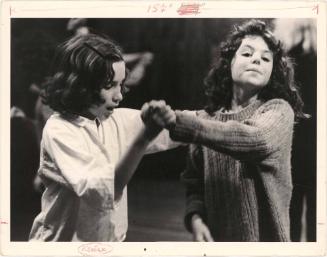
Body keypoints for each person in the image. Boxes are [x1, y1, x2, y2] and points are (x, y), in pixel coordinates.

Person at [157, 19, 308, 241]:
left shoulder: (278, 110)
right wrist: (196, 220)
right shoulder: (207, 121)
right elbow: (195, 183)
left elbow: (255, 140)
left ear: (272, 71)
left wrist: (181, 121)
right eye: (247, 54)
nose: (256, 59)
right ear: (229, 63)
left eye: (266, 58)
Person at [29, 33, 178, 242]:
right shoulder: (59, 130)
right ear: (80, 85)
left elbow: (181, 127)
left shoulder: (115, 119)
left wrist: (224, 118)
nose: (120, 95)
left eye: (120, 84)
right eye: (109, 86)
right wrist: (144, 137)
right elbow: (101, 191)